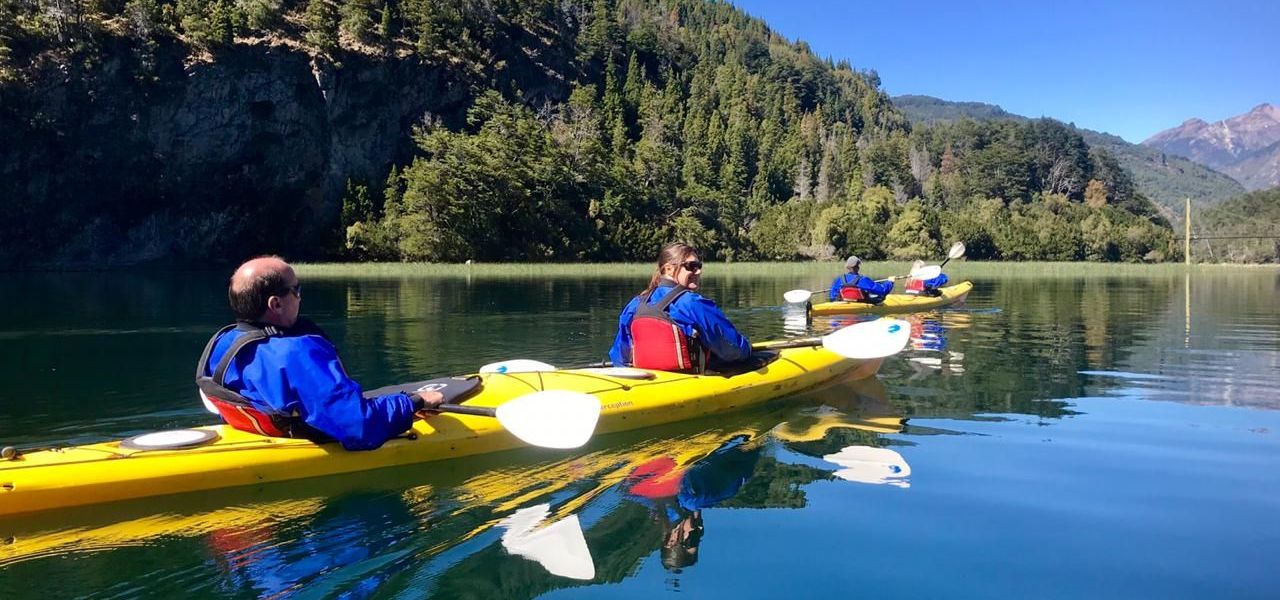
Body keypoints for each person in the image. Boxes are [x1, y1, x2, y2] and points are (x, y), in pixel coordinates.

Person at [196, 256, 443, 450]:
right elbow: (360, 426)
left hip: (254, 434)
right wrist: (413, 402)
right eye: (296, 290)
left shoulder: (223, 342)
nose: (300, 297)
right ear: (276, 303)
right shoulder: (298, 352)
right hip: (305, 445)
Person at [607, 242, 752, 373]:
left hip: (649, 382)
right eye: (692, 266)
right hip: (689, 381)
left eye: (699, 266)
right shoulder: (693, 303)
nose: (699, 271)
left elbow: (620, 356)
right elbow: (733, 348)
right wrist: (748, 351)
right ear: (669, 269)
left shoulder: (636, 304)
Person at [828, 256, 895, 303]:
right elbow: (883, 290)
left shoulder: (839, 279)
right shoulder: (863, 280)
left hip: (844, 303)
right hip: (861, 304)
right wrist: (890, 282)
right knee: (881, 297)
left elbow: (832, 296)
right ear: (857, 267)